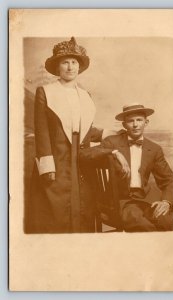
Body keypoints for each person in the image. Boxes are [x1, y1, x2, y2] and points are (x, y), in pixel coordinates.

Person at [26, 37, 113, 233]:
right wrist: (47, 165)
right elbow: (41, 130)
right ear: (57, 67)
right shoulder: (46, 91)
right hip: (56, 155)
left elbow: (83, 130)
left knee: (84, 203)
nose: (70, 67)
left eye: (74, 62)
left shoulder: (85, 95)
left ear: (80, 67)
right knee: (55, 206)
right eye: (65, 62)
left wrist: (107, 133)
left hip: (81, 158)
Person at [80, 103, 173, 232]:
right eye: (130, 121)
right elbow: (83, 154)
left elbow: (168, 179)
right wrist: (114, 152)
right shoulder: (113, 142)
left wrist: (166, 201)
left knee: (167, 222)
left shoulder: (154, 149)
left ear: (146, 122)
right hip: (120, 201)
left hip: (146, 199)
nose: (135, 125)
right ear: (124, 125)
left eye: (139, 120)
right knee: (143, 225)